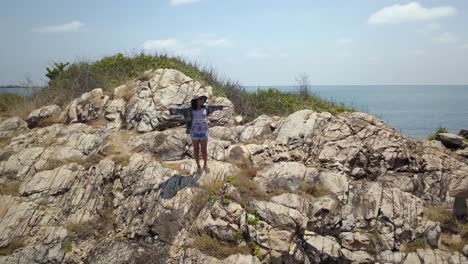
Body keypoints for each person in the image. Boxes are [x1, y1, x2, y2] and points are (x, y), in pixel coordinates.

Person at [168, 93, 224, 172]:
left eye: (203, 99)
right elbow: (180, 110)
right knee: (196, 149)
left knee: (204, 150)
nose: (202, 100)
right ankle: (198, 166)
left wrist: (221, 107)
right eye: (200, 99)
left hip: (204, 131)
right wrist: (170, 109)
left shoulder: (206, 108)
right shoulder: (190, 110)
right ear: (196, 101)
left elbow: (214, 107)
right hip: (194, 132)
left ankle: (205, 164)